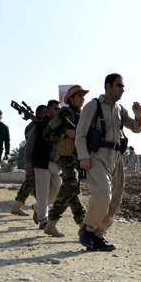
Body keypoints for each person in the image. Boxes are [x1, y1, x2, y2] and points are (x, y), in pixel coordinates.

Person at [75, 73, 141, 252]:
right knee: (103, 194)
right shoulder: (93, 106)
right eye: (119, 86)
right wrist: (83, 156)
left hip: (116, 157)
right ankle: (87, 228)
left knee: (115, 198)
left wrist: (138, 116)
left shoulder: (120, 110)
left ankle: (99, 235)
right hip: (98, 156)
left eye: (123, 86)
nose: (122, 90)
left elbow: (135, 128)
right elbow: (80, 134)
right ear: (108, 86)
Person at [43, 86, 88, 237]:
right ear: (71, 98)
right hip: (67, 157)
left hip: (80, 158)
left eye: (83, 95)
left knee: (66, 191)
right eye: (79, 95)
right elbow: (47, 134)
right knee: (74, 189)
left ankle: (50, 224)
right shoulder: (63, 113)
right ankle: (84, 226)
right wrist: (66, 132)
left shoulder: (83, 115)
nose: (82, 98)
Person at [25, 103, 62, 229]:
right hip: (42, 163)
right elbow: (30, 144)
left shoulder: (61, 125)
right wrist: (28, 160)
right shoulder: (39, 125)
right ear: (49, 110)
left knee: (56, 192)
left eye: (59, 109)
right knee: (43, 193)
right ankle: (43, 220)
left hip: (57, 164)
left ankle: (37, 207)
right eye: (55, 109)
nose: (58, 111)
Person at [10, 104, 47, 217]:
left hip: (41, 160)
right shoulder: (32, 127)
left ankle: (17, 206)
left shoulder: (44, 124)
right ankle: (41, 209)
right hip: (34, 160)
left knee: (29, 184)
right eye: (44, 113)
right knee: (36, 185)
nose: (47, 115)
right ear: (38, 113)